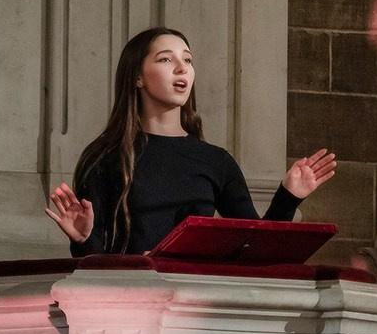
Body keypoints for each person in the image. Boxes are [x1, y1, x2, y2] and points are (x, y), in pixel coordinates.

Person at [45, 26, 336, 256]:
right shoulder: (106, 155)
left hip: (199, 308)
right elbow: (93, 263)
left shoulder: (216, 161)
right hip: (134, 307)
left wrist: (288, 196)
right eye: (165, 59)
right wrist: (83, 239)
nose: (182, 68)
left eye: (187, 59)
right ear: (137, 77)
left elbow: (257, 248)